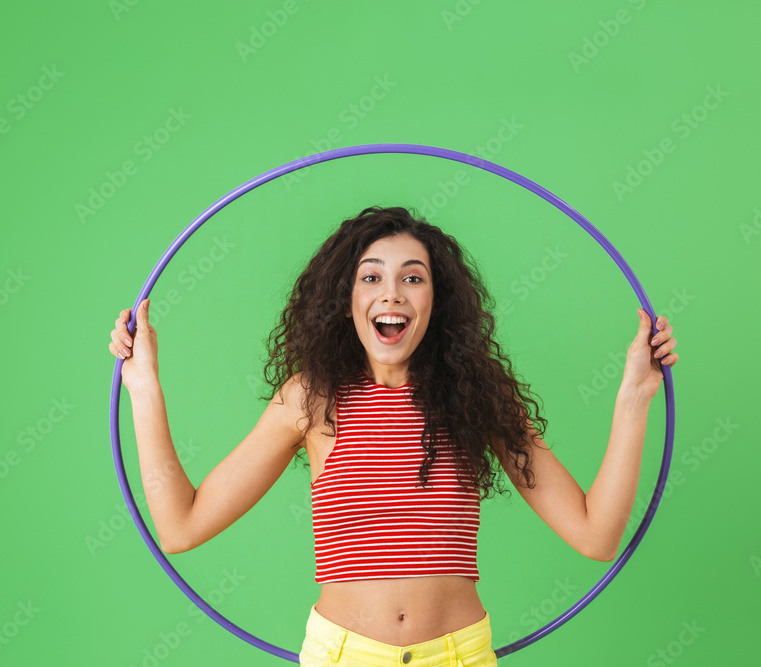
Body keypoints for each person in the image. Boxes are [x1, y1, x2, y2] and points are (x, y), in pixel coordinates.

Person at [107, 206, 680, 666]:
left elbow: (597, 536)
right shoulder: (310, 399)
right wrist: (143, 388)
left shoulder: (479, 398)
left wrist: (634, 398)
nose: (392, 294)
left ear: (438, 300)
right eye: (372, 277)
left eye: (413, 277)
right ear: (347, 300)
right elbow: (179, 525)